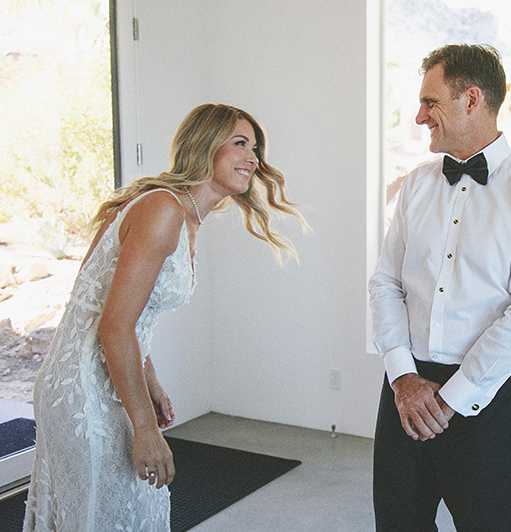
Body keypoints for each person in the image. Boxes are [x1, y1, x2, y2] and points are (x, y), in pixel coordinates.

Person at [22, 103, 306, 531]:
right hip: (83, 390)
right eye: (240, 143)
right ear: (205, 145)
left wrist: (149, 380)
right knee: (105, 517)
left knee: (132, 514)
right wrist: (145, 427)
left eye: (256, 149)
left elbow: (129, 315)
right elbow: (113, 325)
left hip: (108, 376)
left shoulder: (185, 216)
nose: (254, 158)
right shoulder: (163, 210)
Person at [369, 44, 511, 531]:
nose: (419, 117)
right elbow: (385, 283)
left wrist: (450, 398)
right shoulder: (415, 186)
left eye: (429, 102)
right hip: (404, 391)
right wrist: (403, 379)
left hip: (485, 396)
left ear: (472, 99)